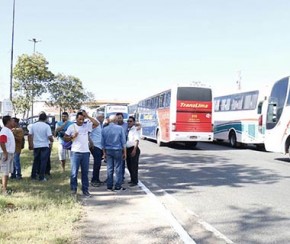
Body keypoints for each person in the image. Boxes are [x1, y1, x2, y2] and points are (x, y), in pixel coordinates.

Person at [64, 110, 99, 197]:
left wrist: (88, 116)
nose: (81, 121)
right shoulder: (72, 127)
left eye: (83, 119)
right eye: (80, 119)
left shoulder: (86, 126)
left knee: (85, 173)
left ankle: (85, 190)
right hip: (75, 152)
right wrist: (72, 136)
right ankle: (73, 189)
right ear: (76, 119)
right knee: (74, 172)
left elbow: (96, 123)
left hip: (85, 152)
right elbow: (65, 137)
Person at [101, 114, 126, 191]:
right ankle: (118, 186)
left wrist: (104, 153)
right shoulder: (120, 128)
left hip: (108, 150)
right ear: (116, 120)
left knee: (109, 168)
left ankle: (109, 185)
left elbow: (102, 143)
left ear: (109, 120)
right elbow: (123, 141)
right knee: (118, 168)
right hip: (118, 150)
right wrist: (124, 152)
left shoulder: (104, 129)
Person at [28, 112, 54, 181]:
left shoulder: (33, 125)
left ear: (38, 118)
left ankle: (33, 176)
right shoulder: (46, 126)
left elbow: (30, 135)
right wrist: (52, 140)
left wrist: (30, 144)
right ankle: (41, 177)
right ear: (45, 118)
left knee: (36, 161)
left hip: (36, 145)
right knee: (43, 162)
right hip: (44, 146)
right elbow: (49, 136)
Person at [0, 115, 15, 194]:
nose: (14, 122)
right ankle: (4, 190)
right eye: (12, 120)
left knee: (7, 172)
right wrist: (5, 152)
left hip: (9, 153)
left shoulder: (9, 130)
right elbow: (2, 141)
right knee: (5, 172)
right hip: (6, 153)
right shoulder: (5, 130)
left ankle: (5, 187)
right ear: (8, 121)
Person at [89, 112, 105, 187]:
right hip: (95, 146)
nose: (102, 118)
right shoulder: (95, 123)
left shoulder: (101, 124)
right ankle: (94, 180)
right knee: (97, 163)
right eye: (101, 117)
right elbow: (87, 132)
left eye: (103, 117)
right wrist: (90, 141)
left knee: (98, 163)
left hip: (100, 146)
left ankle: (96, 178)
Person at [126, 116, 141, 187]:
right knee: (129, 165)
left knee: (133, 166)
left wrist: (134, 150)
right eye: (128, 121)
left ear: (134, 122)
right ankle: (132, 179)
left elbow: (136, 141)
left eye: (130, 121)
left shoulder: (134, 130)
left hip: (133, 148)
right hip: (128, 149)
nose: (129, 122)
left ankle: (135, 181)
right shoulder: (129, 129)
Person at [116, 113, 128, 182]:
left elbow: (136, 125)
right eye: (118, 118)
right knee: (117, 164)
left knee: (122, 163)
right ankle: (118, 177)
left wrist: (139, 126)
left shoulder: (126, 125)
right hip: (117, 146)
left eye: (120, 118)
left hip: (124, 145)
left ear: (123, 118)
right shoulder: (115, 125)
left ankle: (122, 177)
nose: (119, 119)